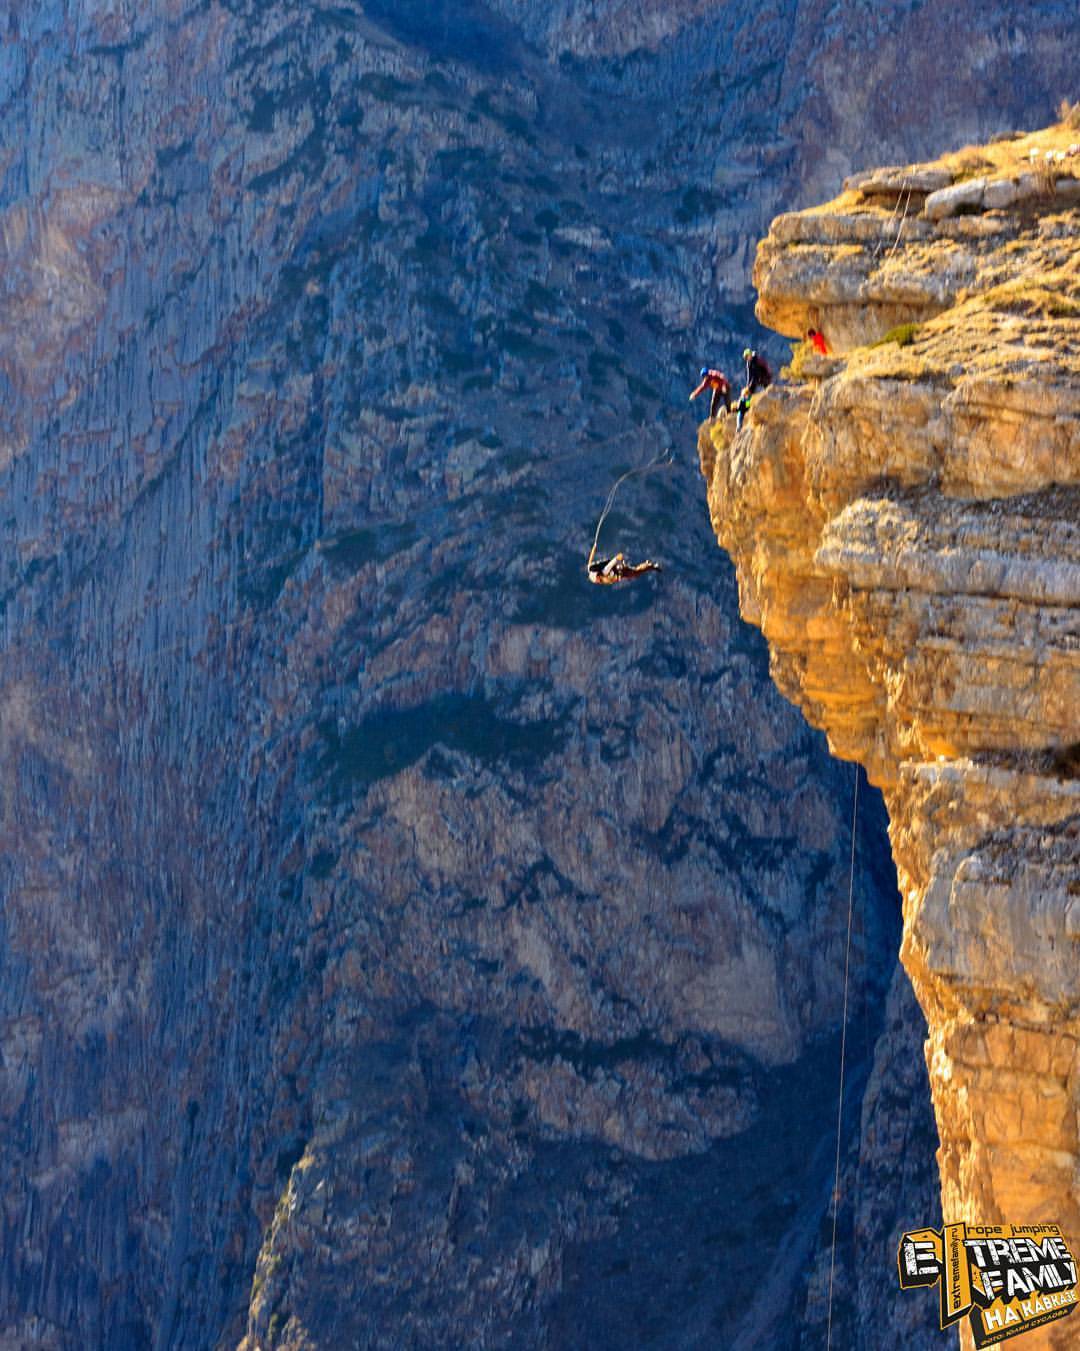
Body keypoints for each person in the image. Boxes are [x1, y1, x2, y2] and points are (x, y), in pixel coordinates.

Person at [587, 542, 662, 585]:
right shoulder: (591, 569)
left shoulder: (605, 570)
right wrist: (594, 547)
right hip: (615, 573)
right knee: (635, 573)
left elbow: (618, 557)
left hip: (617, 568)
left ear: (598, 575)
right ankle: (648, 565)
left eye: (598, 580)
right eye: (597, 582)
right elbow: (590, 558)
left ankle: (650, 566)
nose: (599, 582)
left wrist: (620, 564)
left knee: (636, 573)